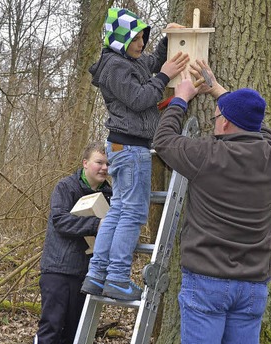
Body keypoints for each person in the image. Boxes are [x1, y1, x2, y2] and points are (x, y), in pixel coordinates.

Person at [152, 62, 271, 344]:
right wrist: (220, 93)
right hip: (253, 284)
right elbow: (259, 124)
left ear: (224, 123)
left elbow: (163, 141)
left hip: (207, 279)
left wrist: (180, 100)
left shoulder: (207, 155)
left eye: (216, 117)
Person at [80, 7, 189, 301]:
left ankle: (97, 274)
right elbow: (140, 99)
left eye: (144, 38)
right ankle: (116, 277)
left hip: (125, 148)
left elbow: (154, 62)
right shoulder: (115, 66)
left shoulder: (130, 61)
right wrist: (165, 76)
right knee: (132, 214)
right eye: (137, 39)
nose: (142, 44)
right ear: (121, 39)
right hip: (130, 149)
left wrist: (167, 40)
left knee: (118, 211)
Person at [32, 141, 112, 344]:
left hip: (87, 274)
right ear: (85, 163)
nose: (104, 168)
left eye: (107, 163)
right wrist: (96, 225)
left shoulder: (109, 194)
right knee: (51, 328)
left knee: (74, 333)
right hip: (58, 269)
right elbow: (60, 220)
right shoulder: (66, 187)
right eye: (99, 162)